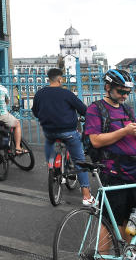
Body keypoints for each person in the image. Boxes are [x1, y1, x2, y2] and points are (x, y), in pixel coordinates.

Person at [85, 68, 136, 260]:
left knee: (132, 222)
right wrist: (124, 132)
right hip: (113, 171)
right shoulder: (95, 109)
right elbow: (96, 141)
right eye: (121, 91)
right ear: (108, 87)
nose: (125, 95)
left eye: (128, 92)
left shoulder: (127, 109)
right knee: (110, 223)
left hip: (135, 169)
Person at [32, 68, 93, 205]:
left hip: (49, 132)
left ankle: (53, 168)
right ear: (60, 79)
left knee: (51, 143)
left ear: (49, 79)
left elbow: (35, 112)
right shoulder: (66, 93)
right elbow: (84, 110)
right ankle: (86, 196)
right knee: (79, 160)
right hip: (68, 132)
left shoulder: (40, 94)